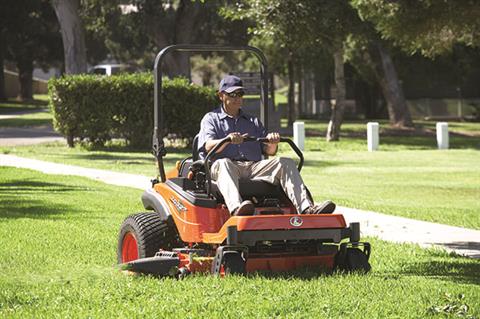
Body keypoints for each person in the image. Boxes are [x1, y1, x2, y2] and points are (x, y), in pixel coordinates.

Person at [197, 75, 336, 216]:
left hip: (253, 167)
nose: (237, 98)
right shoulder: (211, 119)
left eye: (240, 94)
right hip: (225, 167)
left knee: (285, 163)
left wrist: (272, 142)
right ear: (221, 95)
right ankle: (237, 209)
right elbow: (208, 146)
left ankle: (307, 209)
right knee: (224, 163)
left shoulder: (253, 121)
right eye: (232, 94)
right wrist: (227, 140)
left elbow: (270, 151)